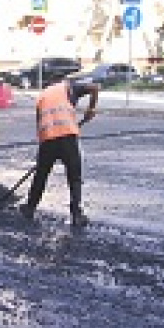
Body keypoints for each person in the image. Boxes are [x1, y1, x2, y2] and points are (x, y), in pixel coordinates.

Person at [19, 77, 100, 227]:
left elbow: (40, 124)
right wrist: (91, 109)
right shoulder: (68, 87)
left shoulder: (41, 97)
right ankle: (76, 214)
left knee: (41, 175)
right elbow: (94, 87)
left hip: (48, 139)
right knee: (74, 176)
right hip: (68, 136)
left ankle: (29, 208)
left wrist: (43, 152)